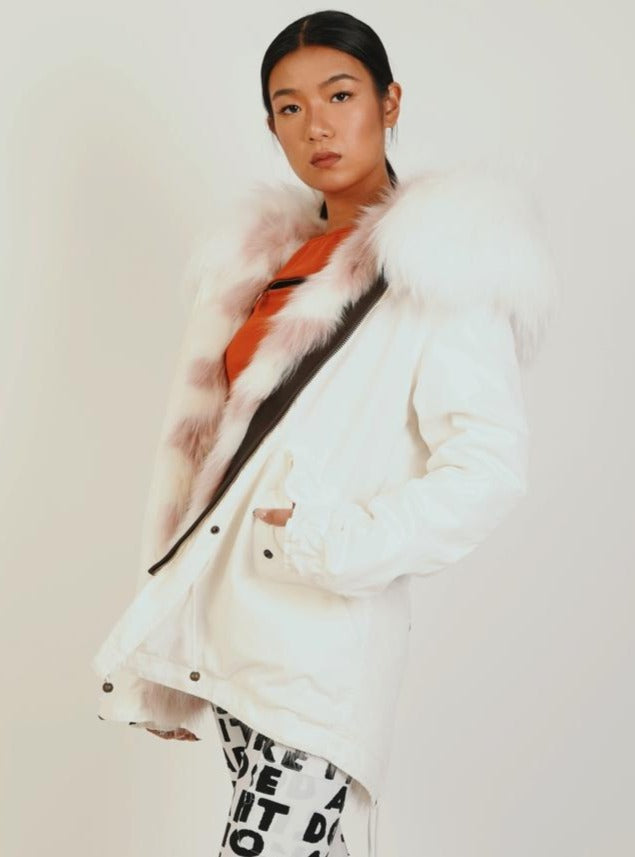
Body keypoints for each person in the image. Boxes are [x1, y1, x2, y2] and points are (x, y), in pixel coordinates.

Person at [91, 10, 560, 856]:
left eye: (339, 95)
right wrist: (165, 638)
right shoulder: (258, 267)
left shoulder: (440, 264)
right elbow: (206, 471)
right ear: (271, 125)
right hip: (231, 641)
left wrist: (331, 540)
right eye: (289, 106)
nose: (316, 124)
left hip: (317, 648)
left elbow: (486, 468)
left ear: (389, 102)